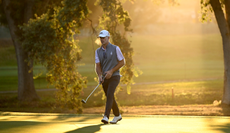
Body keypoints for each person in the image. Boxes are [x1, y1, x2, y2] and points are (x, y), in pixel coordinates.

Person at [95, 30, 125, 124]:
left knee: (110, 94)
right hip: (104, 78)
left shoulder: (115, 48)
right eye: (101, 38)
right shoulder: (98, 51)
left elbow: (122, 62)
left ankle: (106, 116)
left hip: (114, 76)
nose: (102, 39)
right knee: (109, 96)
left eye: (104, 37)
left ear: (108, 38)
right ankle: (117, 115)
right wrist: (100, 76)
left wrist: (111, 71)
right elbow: (98, 66)